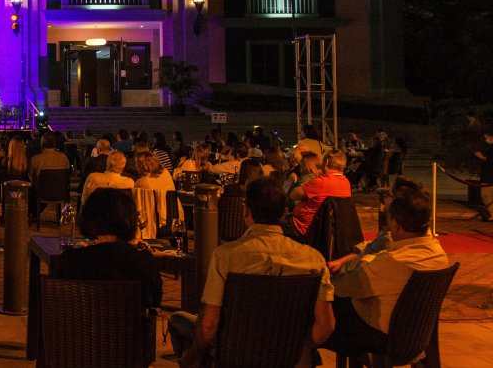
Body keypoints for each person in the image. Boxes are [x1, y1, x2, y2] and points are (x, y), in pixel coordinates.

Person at [171, 177, 335, 367]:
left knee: (178, 321)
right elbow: (326, 325)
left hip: (236, 356)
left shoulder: (226, 256)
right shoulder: (313, 259)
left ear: (246, 211)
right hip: (290, 359)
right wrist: (296, 347)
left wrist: (194, 355)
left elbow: (209, 324)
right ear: (283, 213)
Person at [323, 186, 449, 358]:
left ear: (396, 226)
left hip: (380, 335)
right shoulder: (438, 253)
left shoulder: (392, 262)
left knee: (316, 316)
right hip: (416, 332)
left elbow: (342, 287)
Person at [54, 188, 163, 307]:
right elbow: (155, 303)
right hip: (127, 324)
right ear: (129, 219)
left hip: (79, 324)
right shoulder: (143, 262)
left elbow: (60, 303)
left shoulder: (71, 259)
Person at [289, 151, 351, 236]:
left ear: (327, 162)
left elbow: (293, 195)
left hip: (305, 227)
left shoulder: (320, 182)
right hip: (331, 228)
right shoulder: (346, 183)